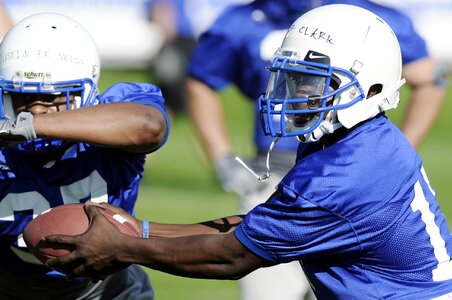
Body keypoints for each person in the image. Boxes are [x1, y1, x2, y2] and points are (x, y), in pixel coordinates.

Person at [44, 4, 452, 299]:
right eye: (292, 80)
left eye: (311, 83)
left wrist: (125, 248)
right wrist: (141, 228)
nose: (295, 95)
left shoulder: (347, 172)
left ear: (373, 88)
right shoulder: (354, 141)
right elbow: (256, 224)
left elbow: (233, 255)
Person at [186, 1, 446, 298]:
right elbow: (201, 79)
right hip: (275, 176)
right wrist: (221, 154)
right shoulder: (243, 20)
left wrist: (386, 161)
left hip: (350, 185)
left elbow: (430, 79)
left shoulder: (365, 21)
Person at [0, 12, 170, 299]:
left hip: (107, 290)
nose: (36, 110)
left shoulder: (115, 114)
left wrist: (31, 128)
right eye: (23, 98)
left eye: (56, 99)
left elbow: (149, 127)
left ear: (87, 94)